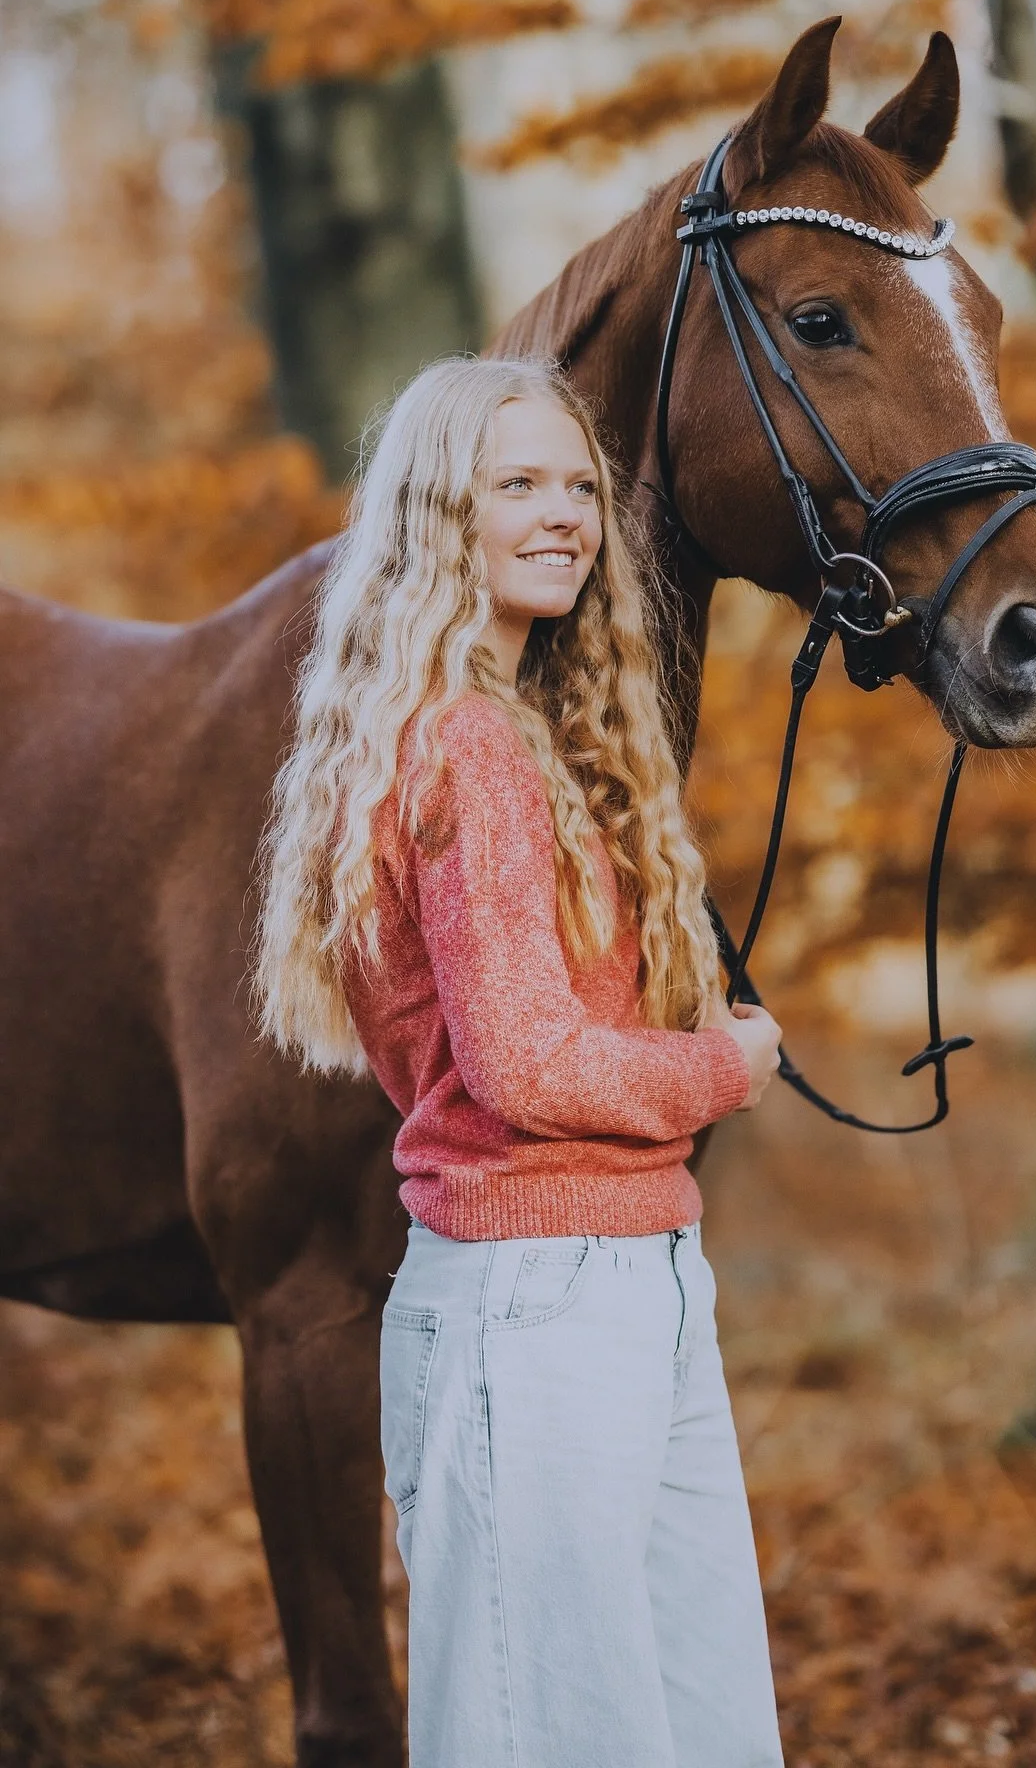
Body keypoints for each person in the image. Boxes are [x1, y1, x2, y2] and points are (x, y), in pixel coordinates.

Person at [254, 354, 786, 1767]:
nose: (563, 516)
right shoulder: (473, 747)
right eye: (516, 486)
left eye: (578, 488)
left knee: (693, 1731)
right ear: (441, 514)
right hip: (536, 1306)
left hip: (630, 1277)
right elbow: (529, 1067)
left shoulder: (513, 732)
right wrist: (723, 1069)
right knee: (564, 1736)